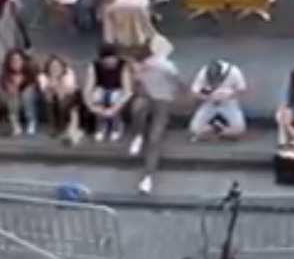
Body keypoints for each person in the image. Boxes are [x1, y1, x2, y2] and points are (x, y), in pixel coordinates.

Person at [132, 37, 183, 191]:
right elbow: (138, 87)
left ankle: (148, 176)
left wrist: (177, 95)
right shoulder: (139, 68)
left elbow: (178, 82)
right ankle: (139, 135)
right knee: (137, 108)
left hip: (163, 100)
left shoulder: (165, 66)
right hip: (149, 97)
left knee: (155, 137)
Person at [83, 45, 136, 143]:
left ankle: (116, 126)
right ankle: (100, 125)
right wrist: (91, 106)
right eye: (107, 60)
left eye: (113, 59)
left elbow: (128, 90)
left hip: (117, 89)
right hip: (102, 88)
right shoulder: (95, 65)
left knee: (114, 98)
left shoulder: (123, 65)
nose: (110, 62)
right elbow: (88, 88)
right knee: (98, 96)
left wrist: (114, 108)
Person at [189, 58, 251, 140]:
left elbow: (242, 89)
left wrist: (229, 96)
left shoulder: (234, 71)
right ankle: (213, 129)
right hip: (210, 102)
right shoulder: (203, 72)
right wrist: (207, 98)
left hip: (228, 102)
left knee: (239, 129)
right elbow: (194, 91)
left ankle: (218, 131)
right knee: (194, 129)